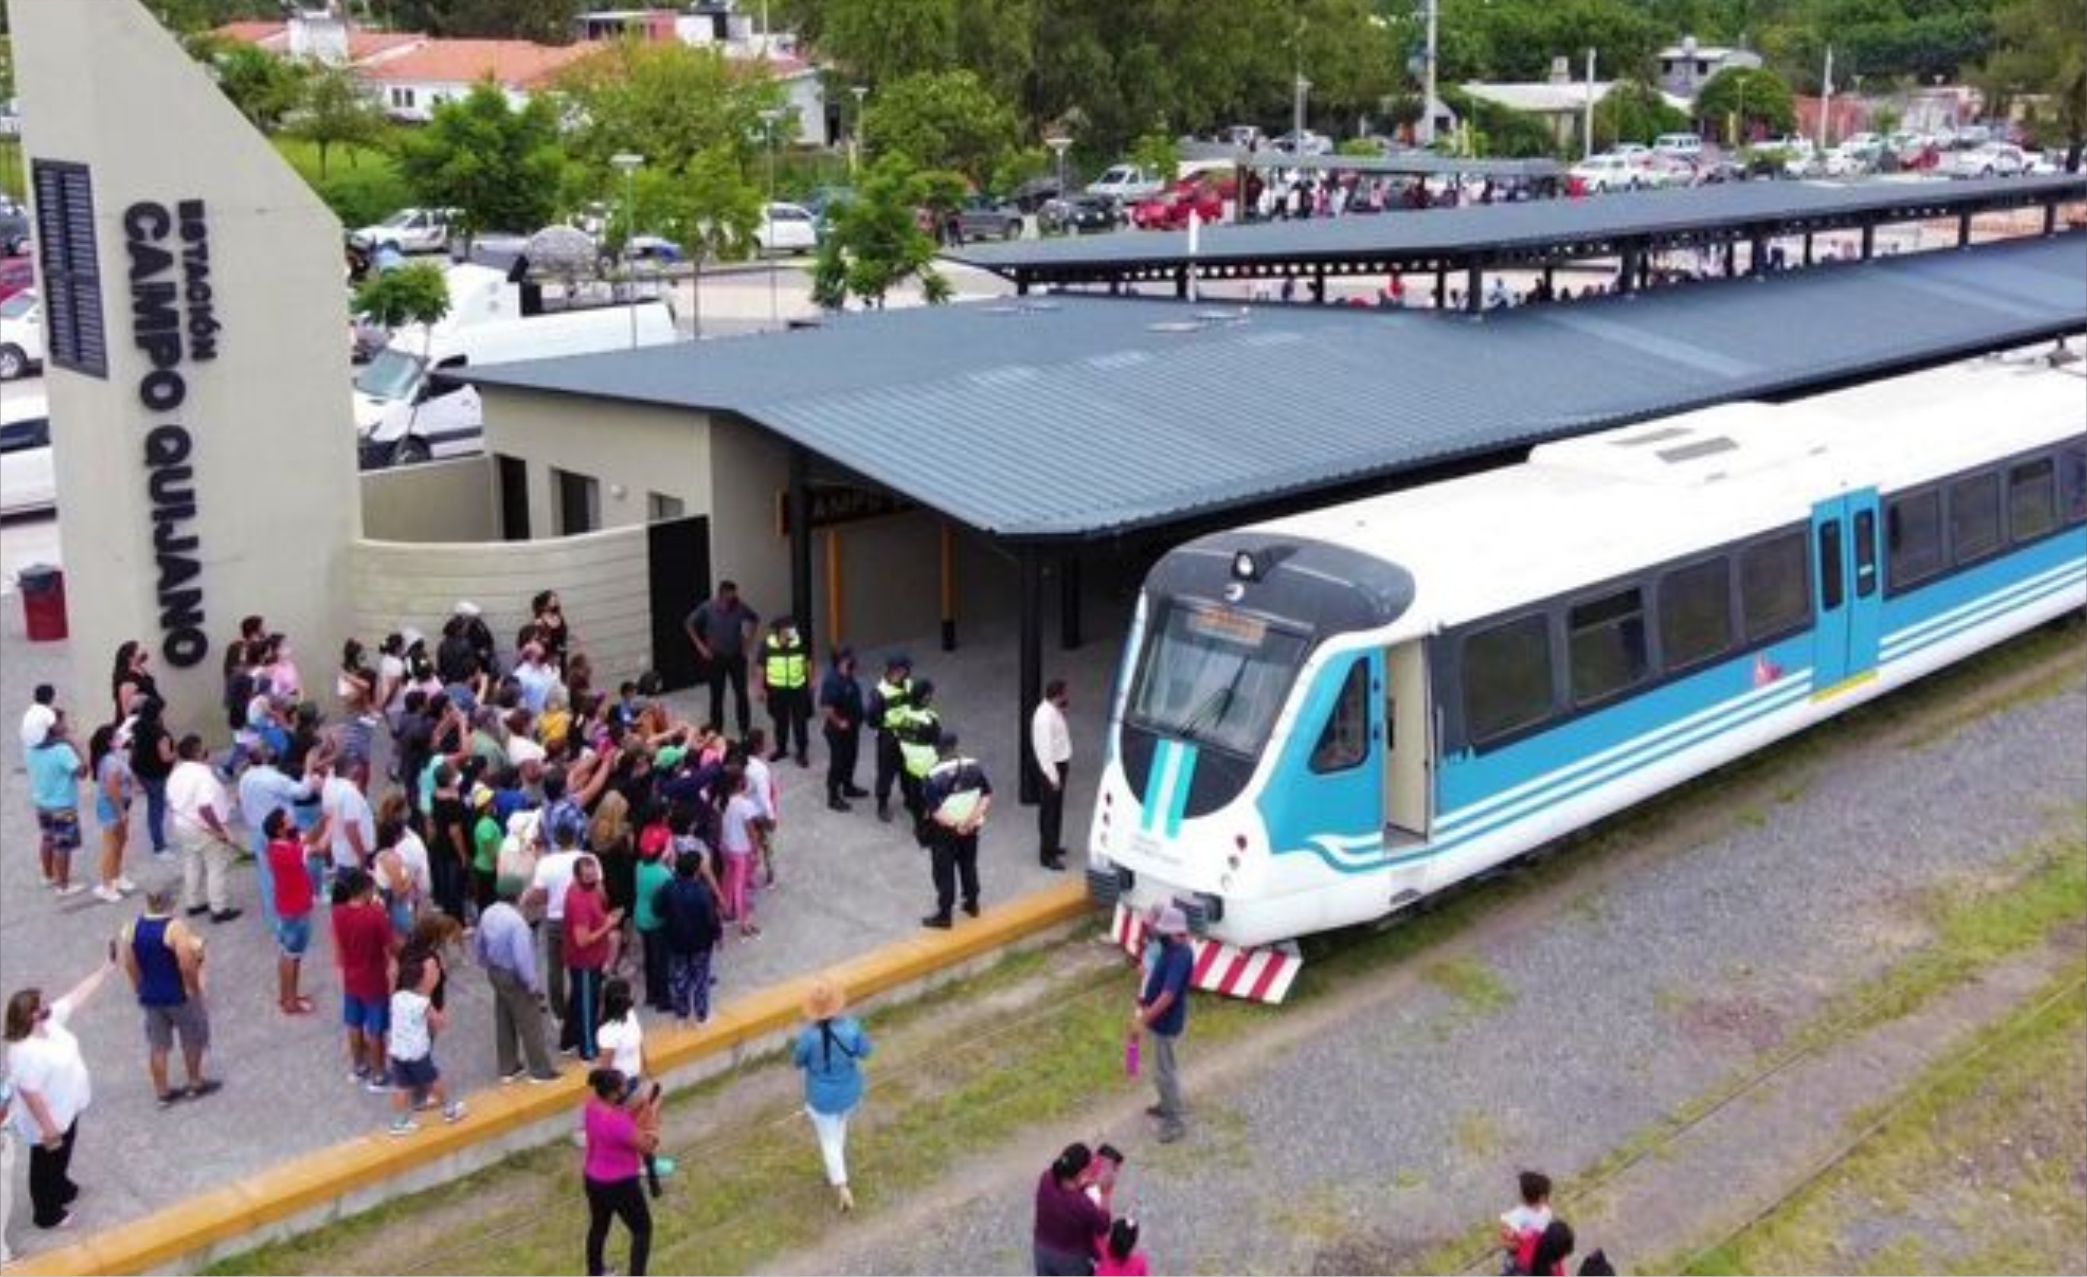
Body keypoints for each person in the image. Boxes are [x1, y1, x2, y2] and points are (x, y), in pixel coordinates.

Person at [4, 956, 116, 1232]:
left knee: (62, 1155)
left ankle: (61, 1186)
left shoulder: (48, 1023)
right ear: (31, 1015)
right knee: (46, 1161)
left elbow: (76, 996)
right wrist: (49, 1128)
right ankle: (46, 1211)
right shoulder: (24, 1052)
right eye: (41, 1005)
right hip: (49, 1118)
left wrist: (106, 968)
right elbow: (30, 1094)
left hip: (68, 1106)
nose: (47, 1006)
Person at [118, 884, 219, 1107]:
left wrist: (140, 987)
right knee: (192, 1039)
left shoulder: (131, 927)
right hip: (177, 993)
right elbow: (186, 963)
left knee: (158, 1045)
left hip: (151, 995)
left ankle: (162, 1091)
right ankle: (195, 1082)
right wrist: (194, 989)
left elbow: (129, 962)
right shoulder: (174, 928)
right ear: (171, 904)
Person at [792, 977, 872, 1213]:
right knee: (839, 1130)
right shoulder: (851, 1027)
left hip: (821, 1097)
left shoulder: (808, 1036)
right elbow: (865, 1051)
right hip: (849, 1090)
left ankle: (841, 1184)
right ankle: (835, 1171)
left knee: (828, 1141)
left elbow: (797, 1061)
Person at [474, 883, 561, 1084]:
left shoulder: (488, 912)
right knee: (530, 1022)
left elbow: (479, 942)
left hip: (495, 971)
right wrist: (533, 986)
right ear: (519, 896)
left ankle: (508, 1066)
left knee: (503, 1017)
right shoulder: (517, 923)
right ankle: (540, 1070)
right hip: (514, 976)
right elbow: (523, 960)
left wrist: (484, 962)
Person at [595, 979, 675, 1193]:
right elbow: (605, 1067)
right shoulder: (607, 1032)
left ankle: (643, 1166)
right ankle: (634, 1168)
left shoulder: (630, 1015)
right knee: (635, 1130)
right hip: (620, 1089)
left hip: (636, 1081)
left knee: (645, 1126)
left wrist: (647, 1068)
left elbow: (639, 1042)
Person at [582, 1066, 658, 1276]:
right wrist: (652, 1115)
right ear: (613, 1093)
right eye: (624, 1086)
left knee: (598, 1227)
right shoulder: (617, 1122)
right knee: (642, 1230)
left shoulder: (591, 1106)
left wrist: (637, 1109)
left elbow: (623, 1120)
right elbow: (647, 1146)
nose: (628, 1088)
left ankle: (595, 1272)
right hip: (619, 1184)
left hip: (592, 1177)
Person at [332, 868, 397, 1092]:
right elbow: (391, 947)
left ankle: (359, 1066)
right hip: (374, 979)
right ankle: (379, 1074)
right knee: (376, 1029)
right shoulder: (376, 916)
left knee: (354, 1023)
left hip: (351, 978)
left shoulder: (338, 913)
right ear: (366, 890)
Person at [384, 957, 465, 1136]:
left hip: (398, 1052)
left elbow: (391, 990)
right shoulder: (422, 1003)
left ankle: (399, 1123)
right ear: (420, 981)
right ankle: (450, 1110)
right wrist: (432, 998)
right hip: (417, 1053)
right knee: (433, 1080)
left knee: (401, 1087)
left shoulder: (397, 998)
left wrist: (391, 977)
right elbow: (439, 1023)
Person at [166, 735, 243, 923]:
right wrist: (220, 830)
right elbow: (204, 807)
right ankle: (219, 908)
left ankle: (193, 902)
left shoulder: (176, 773)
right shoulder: (203, 775)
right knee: (216, 865)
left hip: (182, 824)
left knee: (192, 862)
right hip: (203, 827)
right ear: (198, 752)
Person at [919, 733, 991, 930]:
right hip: (971, 828)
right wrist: (971, 820)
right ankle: (972, 903)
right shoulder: (973, 767)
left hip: (945, 833)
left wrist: (956, 825)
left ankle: (944, 915)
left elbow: (936, 812)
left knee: (945, 871)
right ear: (955, 746)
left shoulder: (932, 777)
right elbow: (986, 796)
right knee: (968, 864)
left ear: (937, 751)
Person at [1135, 905, 1194, 1143]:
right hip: (1160, 1022)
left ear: (1172, 932)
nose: (1157, 932)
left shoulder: (1181, 955)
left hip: (1167, 1024)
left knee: (1164, 1073)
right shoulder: (1170, 947)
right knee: (1162, 1071)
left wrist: (1143, 1018)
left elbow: (1168, 996)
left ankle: (1174, 1122)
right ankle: (1166, 1104)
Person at [561, 854, 622, 1061]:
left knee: (578, 999)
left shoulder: (589, 891)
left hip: (592, 958)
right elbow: (582, 940)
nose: (593, 879)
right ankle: (587, 1050)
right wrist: (608, 925)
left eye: (594, 874)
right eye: (588, 876)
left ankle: (568, 1040)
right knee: (588, 1005)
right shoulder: (579, 901)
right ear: (578, 877)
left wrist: (606, 918)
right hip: (585, 961)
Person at [655, 851, 723, 1025]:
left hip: (676, 942)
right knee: (701, 979)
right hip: (700, 943)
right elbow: (711, 919)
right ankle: (701, 1016)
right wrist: (718, 935)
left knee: (680, 979)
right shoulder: (703, 892)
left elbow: (658, 910)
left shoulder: (668, 888)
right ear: (695, 870)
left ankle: (681, 1015)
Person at [684, 580, 759, 737]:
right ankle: (717, 729)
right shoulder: (707, 608)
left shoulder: (740, 607)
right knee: (717, 695)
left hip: (736, 656)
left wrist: (748, 642)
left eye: (735, 593)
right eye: (731, 593)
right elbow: (689, 623)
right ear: (722, 593)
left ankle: (744, 729)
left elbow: (754, 619)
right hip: (716, 657)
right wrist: (701, 647)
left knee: (741, 693)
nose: (734, 596)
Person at [262, 810, 318, 1014]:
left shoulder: (277, 847)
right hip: (296, 911)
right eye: (288, 820)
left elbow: (306, 839)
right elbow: (314, 843)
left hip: (289, 909)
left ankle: (288, 995)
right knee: (292, 955)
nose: (293, 821)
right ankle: (290, 1001)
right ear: (280, 829)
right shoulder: (288, 853)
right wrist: (328, 820)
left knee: (289, 954)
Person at [28, 709, 87, 897]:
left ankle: (48, 875)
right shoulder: (62, 750)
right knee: (63, 846)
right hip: (62, 805)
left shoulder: (32, 748)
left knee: (47, 838)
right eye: (62, 722)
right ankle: (63, 886)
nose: (66, 725)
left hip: (42, 802)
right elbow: (82, 772)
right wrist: (75, 746)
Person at [1032, 1142, 1111, 1275]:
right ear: (1082, 1172)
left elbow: (1066, 1191)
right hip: (1070, 1258)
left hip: (1041, 1250)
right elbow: (1103, 1226)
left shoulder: (1046, 1178)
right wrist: (1105, 1193)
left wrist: (1083, 1184)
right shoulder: (1082, 1204)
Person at [87, 721, 137, 904]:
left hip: (122, 803)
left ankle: (116, 876)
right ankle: (106, 885)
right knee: (111, 846)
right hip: (112, 807)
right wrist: (121, 812)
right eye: (116, 737)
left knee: (121, 841)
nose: (120, 738)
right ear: (109, 742)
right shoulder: (109, 762)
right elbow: (112, 789)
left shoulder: (115, 756)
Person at [716, 767, 767, 938]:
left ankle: (725, 910)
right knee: (740, 885)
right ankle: (744, 922)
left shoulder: (725, 801)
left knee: (728, 879)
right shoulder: (745, 805)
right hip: (740, 849)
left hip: (726, 846)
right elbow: (751, 829)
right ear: (740, 783)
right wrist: (755, 849)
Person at [865, 653, 914, 823]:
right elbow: (871, 720)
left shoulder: (908, 684)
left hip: (907, 735)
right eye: (903, 670)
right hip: (888, 738)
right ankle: (882, 804)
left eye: (907, 670)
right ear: (893, 671)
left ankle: (910, 799)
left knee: (908, 770)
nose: (906, 673)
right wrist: (887, 726)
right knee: (886, 772)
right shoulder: (880, 693)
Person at [126, 696, 177, 860]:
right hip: (156, 775)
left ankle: (158, 839)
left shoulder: (137, 726)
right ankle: (159, 846)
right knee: (156, 810)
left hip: (141, 771)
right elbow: (165, 757)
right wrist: (179, 752)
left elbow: (132, 749)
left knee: (154, 808)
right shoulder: (160, 734)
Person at [818, 646, 867, 812]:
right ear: (841, 660)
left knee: (850, 757)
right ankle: (833, 797)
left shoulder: (847, 675)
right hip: (837, 731)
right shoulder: (832, 681)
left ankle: (848, 786)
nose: (854, 659)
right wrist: (839, 722)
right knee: (837, 762)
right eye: (850, 657)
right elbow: (826, 708)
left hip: (852, 728)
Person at [1030, 678, 1073, 871]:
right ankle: (1047, 855)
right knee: (1050, 811)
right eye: (1065, 692)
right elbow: (1045, 750)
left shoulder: (1051, 711)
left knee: (1055, 810)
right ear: (1059, 694)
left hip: (1058, 764)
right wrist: (1053, 777)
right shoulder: (1045, 717)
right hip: (1052, 767)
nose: (1067, 695)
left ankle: (1052, 845)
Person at [758, 615, 812, 766]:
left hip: (797, 688)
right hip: (777, 690)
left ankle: (801, 752)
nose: (792, 632)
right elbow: (761, 667)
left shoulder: (799, 642)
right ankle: (781, 749)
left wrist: (812, 681)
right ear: (778, 632)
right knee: (780, 721)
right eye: (788, 630)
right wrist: (761, 687)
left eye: (792, 629)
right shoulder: (767, 645)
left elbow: (807, 661)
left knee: (800, 722)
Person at [632, 839, 674, 1012]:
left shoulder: (639, 866)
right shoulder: (664, 874)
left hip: (641, 916)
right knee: (662, 961)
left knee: (649, 958)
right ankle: (664, 1000)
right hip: (657, 921)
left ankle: (651, 994)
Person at [1500, 1170, 1554, 1274]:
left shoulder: (1546, 1211)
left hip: (1534, 1260)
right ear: (1542, 1198)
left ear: (1523, 1197)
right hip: (1521, 1262)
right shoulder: (1516, 1217)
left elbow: (1504, 1242)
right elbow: (1505, 1242)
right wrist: (1523, 1244)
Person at [19, 682, 57, 752]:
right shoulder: (47, 712)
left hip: (28, 744)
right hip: (39, 744)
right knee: (67, 739)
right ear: (50, 698)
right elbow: (56, 729)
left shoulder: (30, 710)